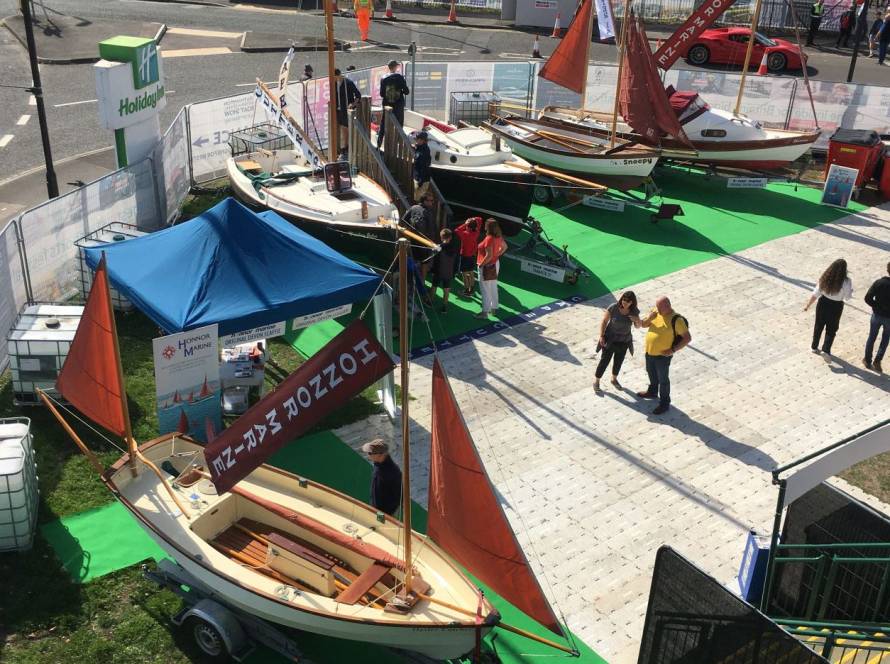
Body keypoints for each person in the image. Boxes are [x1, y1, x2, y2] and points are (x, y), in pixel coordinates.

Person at [637, 296, 691, 415]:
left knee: (663, 380)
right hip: (649, 352)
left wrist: (673, 350)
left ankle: (665, 403)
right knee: (651, 372)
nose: (657, 309)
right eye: (657, 306)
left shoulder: (677, 320)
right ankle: (652, 392)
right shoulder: (656, 312)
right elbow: (643, 325)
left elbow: (687, 338)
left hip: (662, 356)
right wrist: (650, 318)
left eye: (659, 307)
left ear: (667, 306)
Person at [804, 258, 853, 357]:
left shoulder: (825, 277)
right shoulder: (847, 281)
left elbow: (816, 293)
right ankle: (826, 350)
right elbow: (847, 298)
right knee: (832, 328)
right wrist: (850, 292)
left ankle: (814, 346)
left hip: (823, 303)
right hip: (837, 306)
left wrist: (808, 305)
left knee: (819, 325)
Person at [594, 291, 641, 392]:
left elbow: (638, 326)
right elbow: (604, 321)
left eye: (628, 301)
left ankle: (614, 379)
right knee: (604, 361)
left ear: (632, 302)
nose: (625, 303)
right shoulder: (613, 307)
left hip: (624, 341)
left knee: (618, 362)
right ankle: (597, 381)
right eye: (624, 300)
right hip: (610, 340)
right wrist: (601, 336)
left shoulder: (634, 311)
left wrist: (637, 320)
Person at [402, 192, 438, 285]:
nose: (431, 202)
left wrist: (408, 234)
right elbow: (432, 229)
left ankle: (413, 281)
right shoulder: (428, 212)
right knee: (424, 263)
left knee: (415, 261)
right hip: (424, 242)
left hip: (413, 240)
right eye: (430, 201)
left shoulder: (413, 208)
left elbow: (404, 220)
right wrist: (432, 242)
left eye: (432, 201)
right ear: (424, 201)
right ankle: (422, 282)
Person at [475, 218, 507, 319]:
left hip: (486, 266)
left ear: (488, 227)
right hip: (495, 264)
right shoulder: (498, 236)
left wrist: (481, 265)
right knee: (493, 286)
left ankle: (484, 312)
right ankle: (494, 308)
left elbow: (488, 255)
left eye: (485, 224)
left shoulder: (489, 238)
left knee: (485, 289)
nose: (484, 225)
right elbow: (504, 247)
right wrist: (497, 255)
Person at [362, 439, 401, 516]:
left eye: (370, 453)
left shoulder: (390, 472)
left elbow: (398, 494)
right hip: (377, 508)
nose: (368, 455)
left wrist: (380, 513)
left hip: (384, 512)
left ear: (381, 455)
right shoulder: (378, 463)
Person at [863, 261, 890, 372]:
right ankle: (878, 361)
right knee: (885, 339)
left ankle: (867, 360)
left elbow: (867, 298)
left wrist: (877, 306)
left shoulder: (879, 283)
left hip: (877, 315)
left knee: (872, 337)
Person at [377, 60, 411, 148]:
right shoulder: (399, 77)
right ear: (395, 67)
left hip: (387, 104)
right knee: (399, 124)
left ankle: (378, 144)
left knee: (383, 123)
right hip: (398, 104)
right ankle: (398, 146)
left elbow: (381, 94)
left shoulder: (383, 78)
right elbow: (407, 92)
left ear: (389, 67)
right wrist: (400, 90)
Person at [334, 69, 361, 160]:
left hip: (347, 110)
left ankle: (349, 148)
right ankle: (344, 148)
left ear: (337, 75)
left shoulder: (348, 83)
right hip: (339, 110)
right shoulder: (334, 83)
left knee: (348, 129)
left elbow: (358, 95)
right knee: (343, 129)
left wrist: (352, 104)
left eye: (333, 77)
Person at [431, 227, 459, 313]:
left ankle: (430, 301)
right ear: (450, 237)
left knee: (434, 286)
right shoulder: (454, 248)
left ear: (441, 237)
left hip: (438, 271)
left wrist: (432, 270)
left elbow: (435, 260)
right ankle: (445, 306)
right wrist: (454, 272)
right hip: (449, 272)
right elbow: (456, 261)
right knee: (446, 289)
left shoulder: (439, 247)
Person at [454, 216, 483, 297]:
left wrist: (465, 223)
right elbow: (479, 219)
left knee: (465, 274)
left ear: (468, 227)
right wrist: (472, 220)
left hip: (465, 256)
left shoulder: (465, 234)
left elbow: (457, 230)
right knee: (471, 272)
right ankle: (472, 289)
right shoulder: (476, 232)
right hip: (472, 256)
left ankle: (467, 291)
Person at [413, 131, 432, 203]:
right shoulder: (419, 147)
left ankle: (418, 208)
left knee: (420, 200)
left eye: (418, 139)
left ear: (423, 140)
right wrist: (415, 147)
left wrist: (421, 181)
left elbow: (424, 167)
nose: (416, 141)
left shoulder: (425, 151)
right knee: (416, 197)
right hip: (417, 177)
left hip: (422, 180)